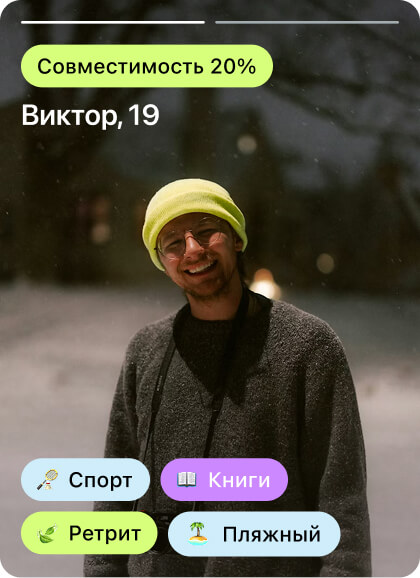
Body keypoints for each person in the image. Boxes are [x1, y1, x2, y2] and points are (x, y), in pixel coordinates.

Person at [84, 178, 371, 577]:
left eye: (206, 231)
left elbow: (342, 501)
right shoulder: (146, 350)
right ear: (163, 262)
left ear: (236, 238)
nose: (192, 249)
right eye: (173, 243)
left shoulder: (307, 346)